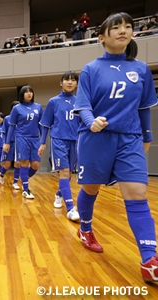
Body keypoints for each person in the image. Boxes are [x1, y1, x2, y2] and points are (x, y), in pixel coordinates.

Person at [72, 12, 158, 282]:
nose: (123, 30)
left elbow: (144, 107)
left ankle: (150, 260)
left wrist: (147, 137)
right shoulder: (90, 69)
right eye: (116, 27)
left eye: (128, 27)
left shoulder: (141, 69)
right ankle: (85, 228)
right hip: (96, 138)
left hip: (130, 138)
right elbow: (83, 104)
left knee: (137, 193)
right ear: (102, 37)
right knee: (90, 188)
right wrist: (91, 121)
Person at [38, 71, 81, 221]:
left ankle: (58, 194)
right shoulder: (53, 101)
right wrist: (43, 143)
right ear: (61, 83)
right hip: (58, 140)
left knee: (69, 174)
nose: (70, 82)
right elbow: (45, 124)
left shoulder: (80, 101)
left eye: (73, 80)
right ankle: (70, 208)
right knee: (64, 171)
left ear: (76, 83)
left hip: (75, 141)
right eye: (67, 80)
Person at [3, 86, 42, 199]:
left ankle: (23, 176)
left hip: (35, 138)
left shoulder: (38, 107)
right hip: (21, 137)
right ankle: (26, 189)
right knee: (24, 162)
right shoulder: (17, 108)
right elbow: (11, 126)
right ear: (22, 94)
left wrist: (43, 141)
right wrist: (7, 142)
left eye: (31, 91)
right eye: (26, 92)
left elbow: (41, 125)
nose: (29, 94)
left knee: (35, 164)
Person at [0, 101, 21, 190]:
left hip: (19, 142)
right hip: (9, 143)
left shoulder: (22, 119)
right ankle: (1, 174)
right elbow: (4, 132)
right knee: (7, 164)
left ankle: (15, 182)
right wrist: (4, 143)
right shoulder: (7, 119)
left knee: (18, 163)